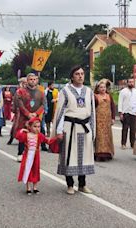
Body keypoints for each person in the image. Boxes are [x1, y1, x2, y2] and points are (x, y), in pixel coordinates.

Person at [52, 65, 96, 195]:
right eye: (77, 74)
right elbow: (60, 112)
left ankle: (82, 184)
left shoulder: (89, 91)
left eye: (82, 73)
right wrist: (59, 131)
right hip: (70, 127)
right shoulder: (65, 91)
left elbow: (92, 112)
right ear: (72, 76)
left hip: (85, 127)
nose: (80, 76)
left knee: (84, 157)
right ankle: (70, 184)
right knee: (69, 156)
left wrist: (92, 130)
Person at [16, 117, 55, 195]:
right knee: (27, 170)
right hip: (27, 156)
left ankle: (35, 187)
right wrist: (22, 130)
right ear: (30, 127)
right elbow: (18, 137)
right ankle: (28, 187)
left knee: (35, 170)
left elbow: (48, 141)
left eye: (39, 126)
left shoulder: (39, 135)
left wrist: (57, 138)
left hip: (36, 156)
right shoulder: (26, 135)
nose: (37, 128)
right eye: (35, 126)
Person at [15, 73, 45, 162]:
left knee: (36, 135)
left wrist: (36, 114)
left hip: (35, 118)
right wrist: (28, 114)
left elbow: (43, 105)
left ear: (37, 80)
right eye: (30, 79)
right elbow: (20, 104)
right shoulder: (20, 91)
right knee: (23, 135)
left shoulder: (41, 92)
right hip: (24, 117)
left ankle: (34, 154)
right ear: (27, 81)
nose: (33, 81)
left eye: (34, 79)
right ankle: (20, 153)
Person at [94, 79, 116, 161]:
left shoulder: (109, 96)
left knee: (107, 136)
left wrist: (113, 118)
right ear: (98, 88)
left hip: (107, 120)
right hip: (98, 120)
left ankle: (108, 153)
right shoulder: (95, 96)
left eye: (104, 87)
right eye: (101, 87)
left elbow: (113, 107)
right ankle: (99, 153)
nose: (103, 89)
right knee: (99, 137)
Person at [118, 78, 136, 149]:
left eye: (132, 82)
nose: (131, 83)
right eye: (130, 82)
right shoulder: (123, 91)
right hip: (126, 112)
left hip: (134, 112)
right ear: (127, 83)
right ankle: (123, 143)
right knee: (125, 129)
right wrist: (121, 113)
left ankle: (133, 143)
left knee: (133, 129)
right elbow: (120, 102)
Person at [7, 77, 27, 145]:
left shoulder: (29, 91)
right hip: (19, 111)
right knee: (16, 125)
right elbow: (15, 100)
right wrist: (14, 109)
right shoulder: (18, 91)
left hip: (27, 111)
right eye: (23, 83)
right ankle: (12, 138)